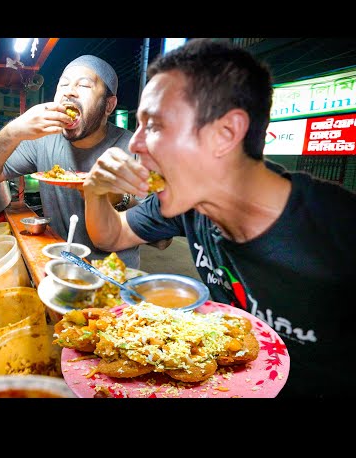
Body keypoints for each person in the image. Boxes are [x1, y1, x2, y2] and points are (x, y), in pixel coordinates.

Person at [82, 38, 356, 398]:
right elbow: (111, 236)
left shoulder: (339, 230)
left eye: (156, 126)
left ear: (225, 134)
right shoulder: (189, 199)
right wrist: (93, 192)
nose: (134, 145)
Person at [0, 55, 142, 268]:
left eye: (84, 85)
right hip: (61, 268)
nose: (69, 91)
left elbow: (162, 239)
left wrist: (119, 198)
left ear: (109, 105)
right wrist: (13, 132)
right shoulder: (43, 139)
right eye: (63, 84)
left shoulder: (135, 148)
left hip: (115, 276)